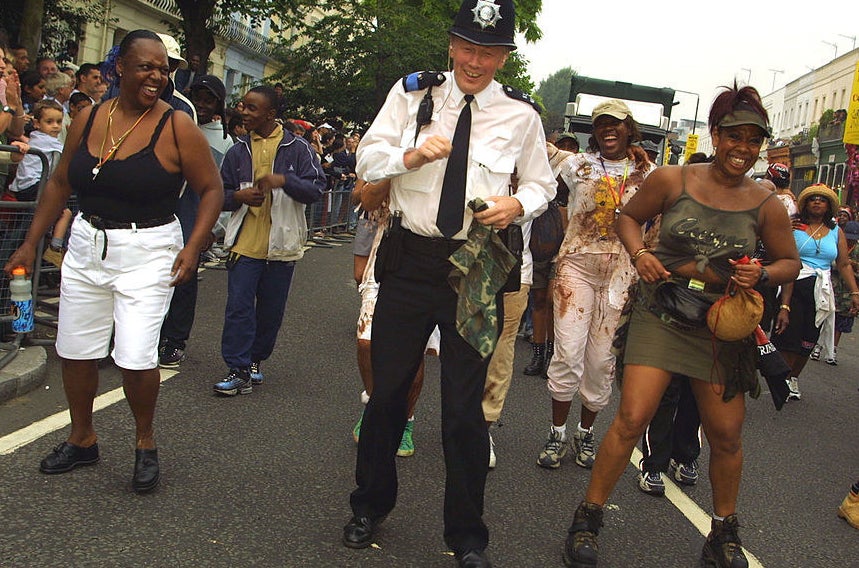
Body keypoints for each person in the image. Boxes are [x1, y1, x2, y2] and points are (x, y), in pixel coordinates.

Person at [341, 1, 555, 565]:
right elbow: (367, 158)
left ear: (505, 56)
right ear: (451, 46)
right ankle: (369, 505)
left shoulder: (520, 116)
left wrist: (516, 203)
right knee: (386, 394)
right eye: (467, 47)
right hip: (409, 261)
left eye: (488, 51)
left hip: (473, 271)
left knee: (463, 411)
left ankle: (466, 536)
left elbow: (543, 185)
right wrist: (408, 155)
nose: (475, 61)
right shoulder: (412, 95)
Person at [563, 84, 800, 568]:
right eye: (735, 136)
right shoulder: (673, 179)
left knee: (727, 435)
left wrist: (763, 273)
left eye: (754, 140)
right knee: (632, 418)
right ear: (716, 135)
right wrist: (642, 254)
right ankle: (587, 519)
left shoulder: (767, 203)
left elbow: (790, 263)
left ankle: (724, 535)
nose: (744, 148)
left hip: (720, 325)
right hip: (662, 311)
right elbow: (629, 219)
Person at [2, 29, 224, 493]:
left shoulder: (176, 125)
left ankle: (145, 443)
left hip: (148, 250)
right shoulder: (87, 116)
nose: (157, 76)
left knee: (137, 354)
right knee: (75, 348)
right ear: (119, 67)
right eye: (146, 66)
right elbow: (62, 181)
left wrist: (193, 245)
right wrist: (30, 241)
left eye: (163, 69)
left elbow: (211, 190)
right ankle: (82, 439)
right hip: (86, 242)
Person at [537, 100, 654, 472]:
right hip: (577, 267)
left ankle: (585, 433)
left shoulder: (648, 172)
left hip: (622, 271)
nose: (608, 129)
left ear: (629, 129)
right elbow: (538, 147)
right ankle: (557, 432)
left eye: (615, 124)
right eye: (601, 124)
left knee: (602, 360)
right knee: (568, 352)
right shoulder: (577, 165)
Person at [213, 85, 326, 395]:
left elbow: (317, 188)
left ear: (271, 114)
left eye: (252, 108)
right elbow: (219, 195)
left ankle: (254, 361)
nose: (243, 112)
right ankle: (237, 368)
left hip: (282, 245)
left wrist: (284, 181)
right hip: (244, 243)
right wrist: (237, 196)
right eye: (243, 106)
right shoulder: (237, 151)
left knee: (270, 311)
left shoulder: (298, 148)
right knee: (238, 307)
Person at [772, 184, 859, 400]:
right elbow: (782, 256)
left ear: (829, 205)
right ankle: (782, 377)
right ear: (805, 204)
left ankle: (793, 378)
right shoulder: (794, 228)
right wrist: (784, 304)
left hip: (821, 291)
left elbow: (844, 264)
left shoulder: (836, 232)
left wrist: (855, 293)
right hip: (794, 286)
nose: (817, 202)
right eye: (813, 199)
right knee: (788, 334)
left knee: (809, 339)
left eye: (822, 199)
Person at [8, 99, 64, 201]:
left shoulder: (35, 137)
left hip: (23, 187)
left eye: (59, 122)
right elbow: (67, 154)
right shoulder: (47, 140)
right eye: (49, 122)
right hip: (34, 185)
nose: (55, 126)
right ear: (36, 123)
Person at [827, 219, 859, 365]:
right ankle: (820, 346)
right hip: (832, 287)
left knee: (841, 322)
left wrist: (853, 266)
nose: (850, 241)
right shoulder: (837, 243)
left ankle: (833, 349)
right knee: (826, 318)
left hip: (847, 293)